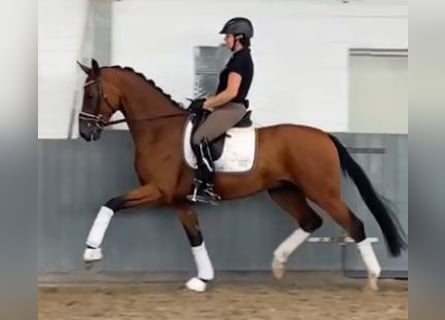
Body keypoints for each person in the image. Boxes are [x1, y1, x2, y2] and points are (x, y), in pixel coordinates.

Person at [186, 17, 255, 204]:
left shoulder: (240, 61)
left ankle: (207, 186)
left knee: (200, 138)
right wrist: (204, 102)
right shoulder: (237, 59)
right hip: (226, 105)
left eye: (228, 37)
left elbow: (231, 93)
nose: (225, 41)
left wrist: (206, 104)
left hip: (232, 108)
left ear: (239, 38)